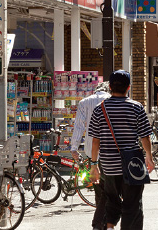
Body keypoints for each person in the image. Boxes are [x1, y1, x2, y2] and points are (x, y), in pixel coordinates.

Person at [89, 70, 155, 230]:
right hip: (132, 164)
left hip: (109, 165)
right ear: (129, 87)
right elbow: (145, 137)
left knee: (112, 200)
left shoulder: (99, 109)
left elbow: (95, 141)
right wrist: (149, 157)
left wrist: (93, 165)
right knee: (133, 204)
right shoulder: (136, 107)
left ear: (110, 87)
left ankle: (110, 227)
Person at [71, 81, 110, 230]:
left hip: (91, 152)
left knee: (98, 187)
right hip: (111, 153)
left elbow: (79, 126)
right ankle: (104, 221)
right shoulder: (113, 101)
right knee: (109, 187)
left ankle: (101, 219)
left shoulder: (84, 102)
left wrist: (74, 147)